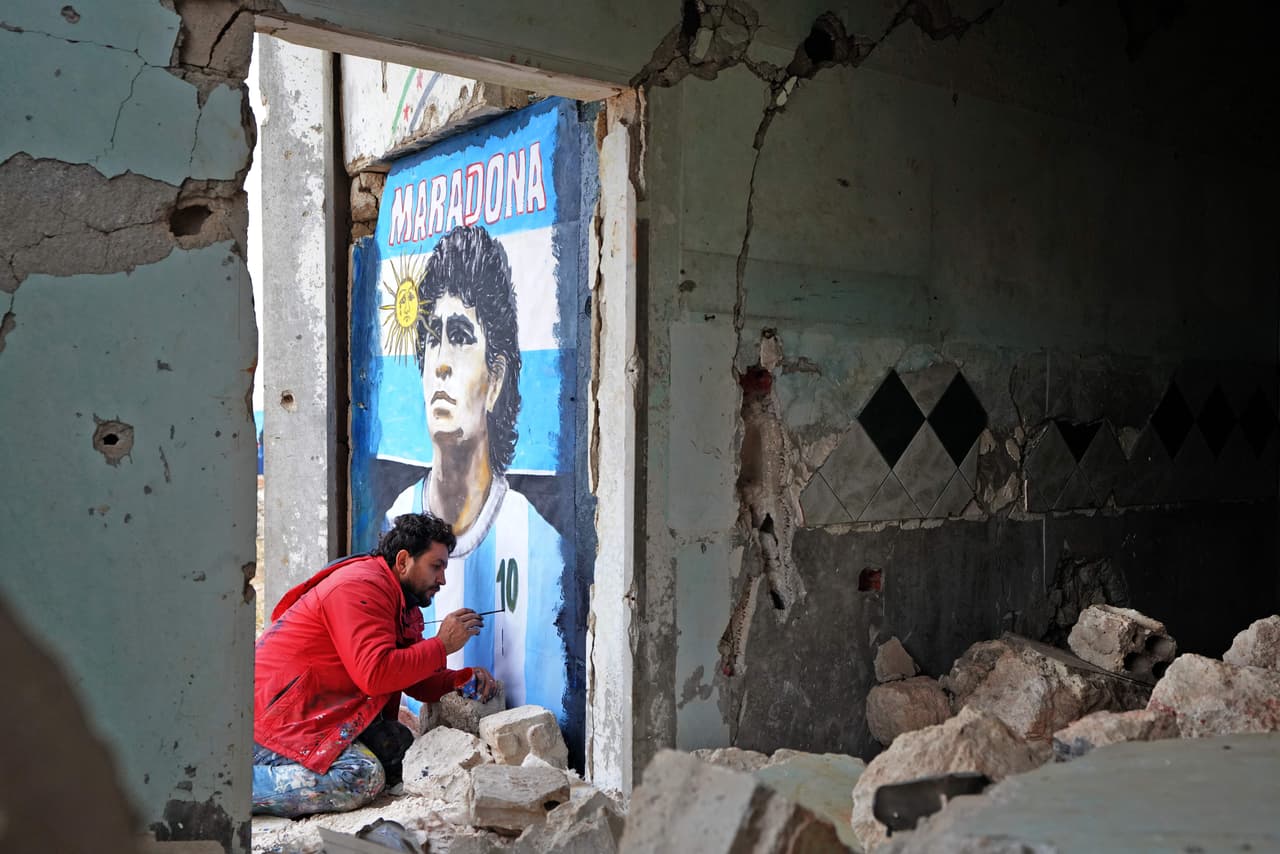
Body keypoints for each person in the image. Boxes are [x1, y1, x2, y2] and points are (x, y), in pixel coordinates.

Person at [385, 224, 566, 720]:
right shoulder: (394, 519)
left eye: (460, 338)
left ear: (497, 378)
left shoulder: (537, 543)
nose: (440, 363)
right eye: (430, 339)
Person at [251, 512, 497, 817]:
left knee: (396, 747)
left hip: (307, 713)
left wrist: (458, 680)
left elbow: (410, 678)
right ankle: (232, 787)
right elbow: (376, 675)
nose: (442, 579)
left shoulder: (402, 601)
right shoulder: (359, 586)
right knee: (360, 777)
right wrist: (441, 645)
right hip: (269, 719)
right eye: (436, 566)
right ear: (404, 560)